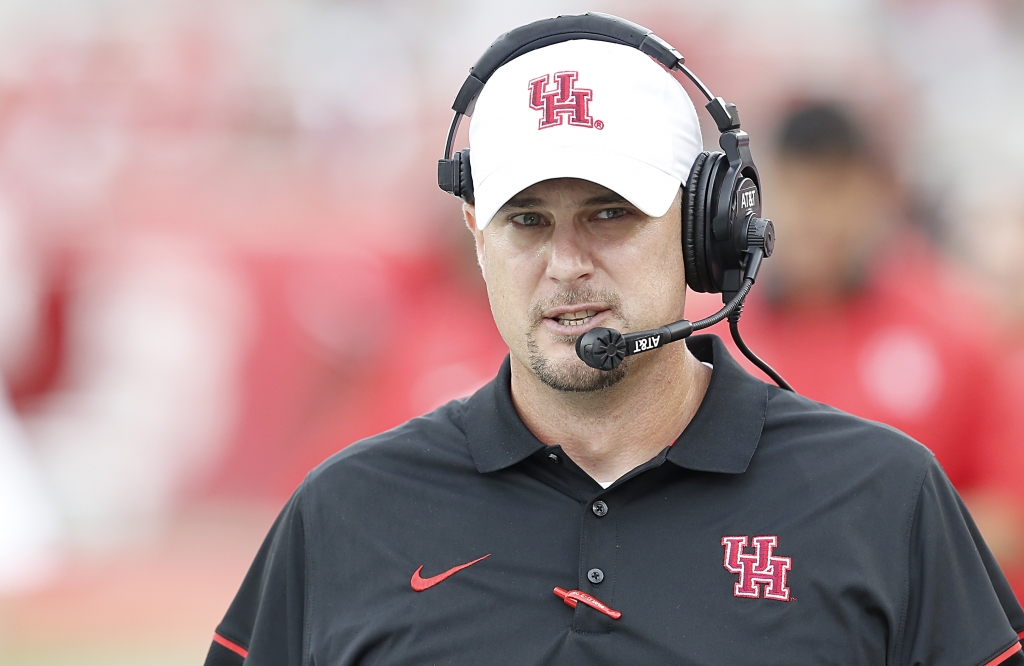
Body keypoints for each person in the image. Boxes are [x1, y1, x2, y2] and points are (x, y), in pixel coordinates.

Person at [205, 15, 1024, 666]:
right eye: (527, 221)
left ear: (706, 228)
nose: (567, 265)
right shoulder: (346, 512)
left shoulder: (882, 498)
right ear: (476, 235)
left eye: (611, 213)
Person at [686, 101, 1024, 601]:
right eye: (800, 191)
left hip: (908, 620)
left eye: (835, 191)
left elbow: (1007, 511)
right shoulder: (705, 331)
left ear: (877, 193)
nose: (817, 218)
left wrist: (856, 553)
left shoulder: (959, 331)